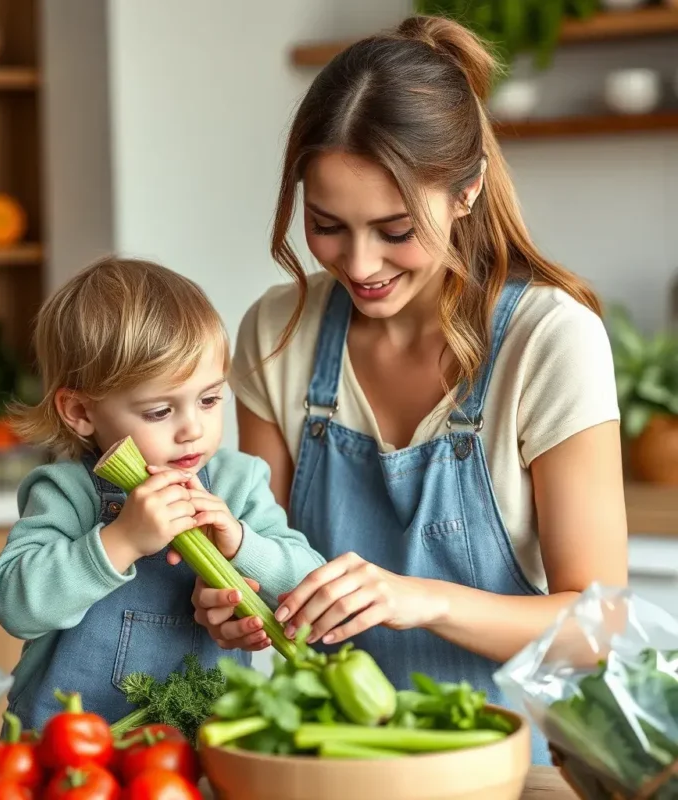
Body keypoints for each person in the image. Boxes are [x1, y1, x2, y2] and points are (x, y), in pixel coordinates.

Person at [190, 14, 628, 764]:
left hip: (512, 770)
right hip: (334, 763)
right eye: (327, 225)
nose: (359, 264)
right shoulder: (277, 331)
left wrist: (419, 598)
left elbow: (599, 629)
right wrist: (236, 606)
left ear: (467, 191)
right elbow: (264, 554)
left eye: (395, 230)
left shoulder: (548, 341)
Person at [0, 257, 326, 730]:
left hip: (202, 745)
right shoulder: (67, 491)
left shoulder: (238, 482)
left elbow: (311, 583)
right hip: (69, 748)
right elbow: (15, 604)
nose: (193, 430)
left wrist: (242, 544)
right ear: (81, 411)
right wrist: (122, 539)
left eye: (209, 400)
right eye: (160, 410)